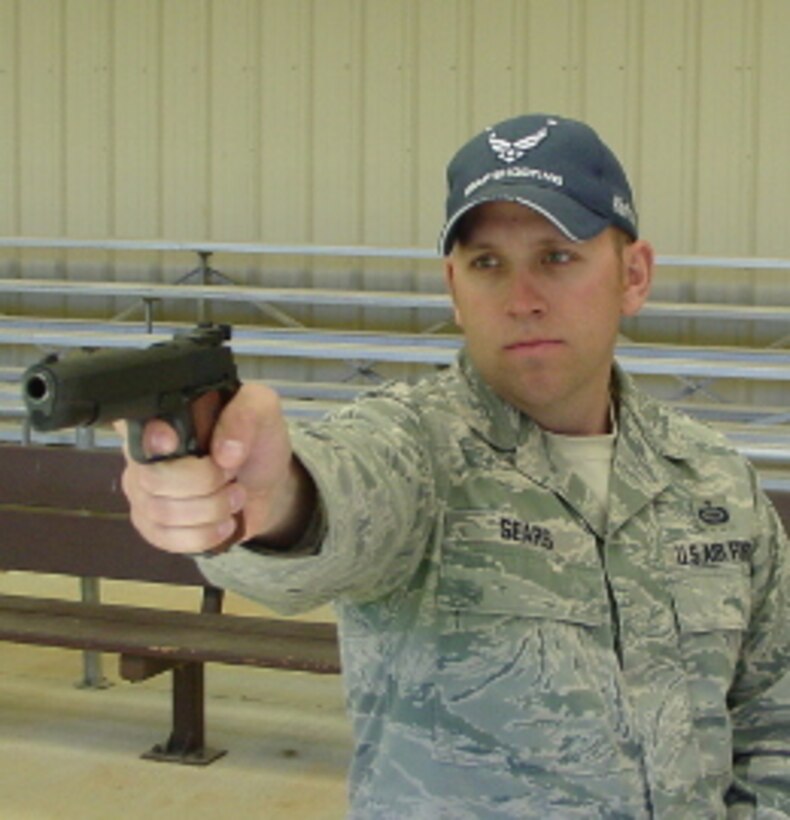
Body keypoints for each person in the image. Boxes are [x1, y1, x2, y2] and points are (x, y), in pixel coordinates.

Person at [120, 114, 790, 818]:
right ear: (453, 285)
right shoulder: (420, 449)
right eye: (487, 263)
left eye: (557, 257)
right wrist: (265, 501)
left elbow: (773, 719)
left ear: (633, 275)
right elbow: (338, 501)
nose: (521, 298)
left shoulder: (714, 481)